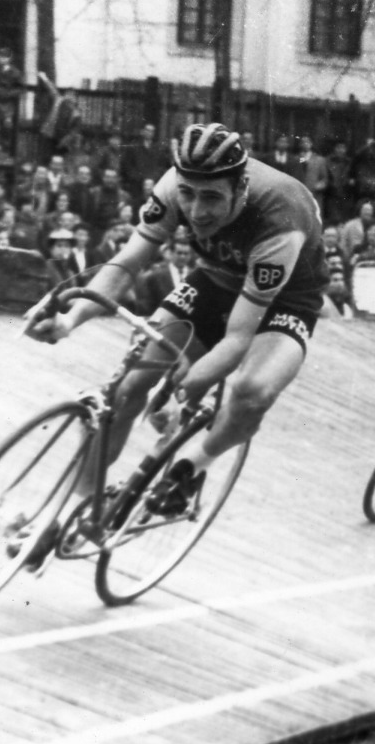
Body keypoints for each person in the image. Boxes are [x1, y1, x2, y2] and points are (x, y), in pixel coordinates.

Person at [24, 122, 329, 517]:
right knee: (130, 386)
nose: (196, 212)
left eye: (211, 198)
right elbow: (127, 264)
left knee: (251, 391)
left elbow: (237, 338)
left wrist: (182, 392)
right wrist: (70, 319)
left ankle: (193, 465)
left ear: (241, 188)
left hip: (285, 301)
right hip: (216, 280)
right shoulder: (174, 184)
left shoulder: (279, 217)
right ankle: (71, 510)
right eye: (189, 195)